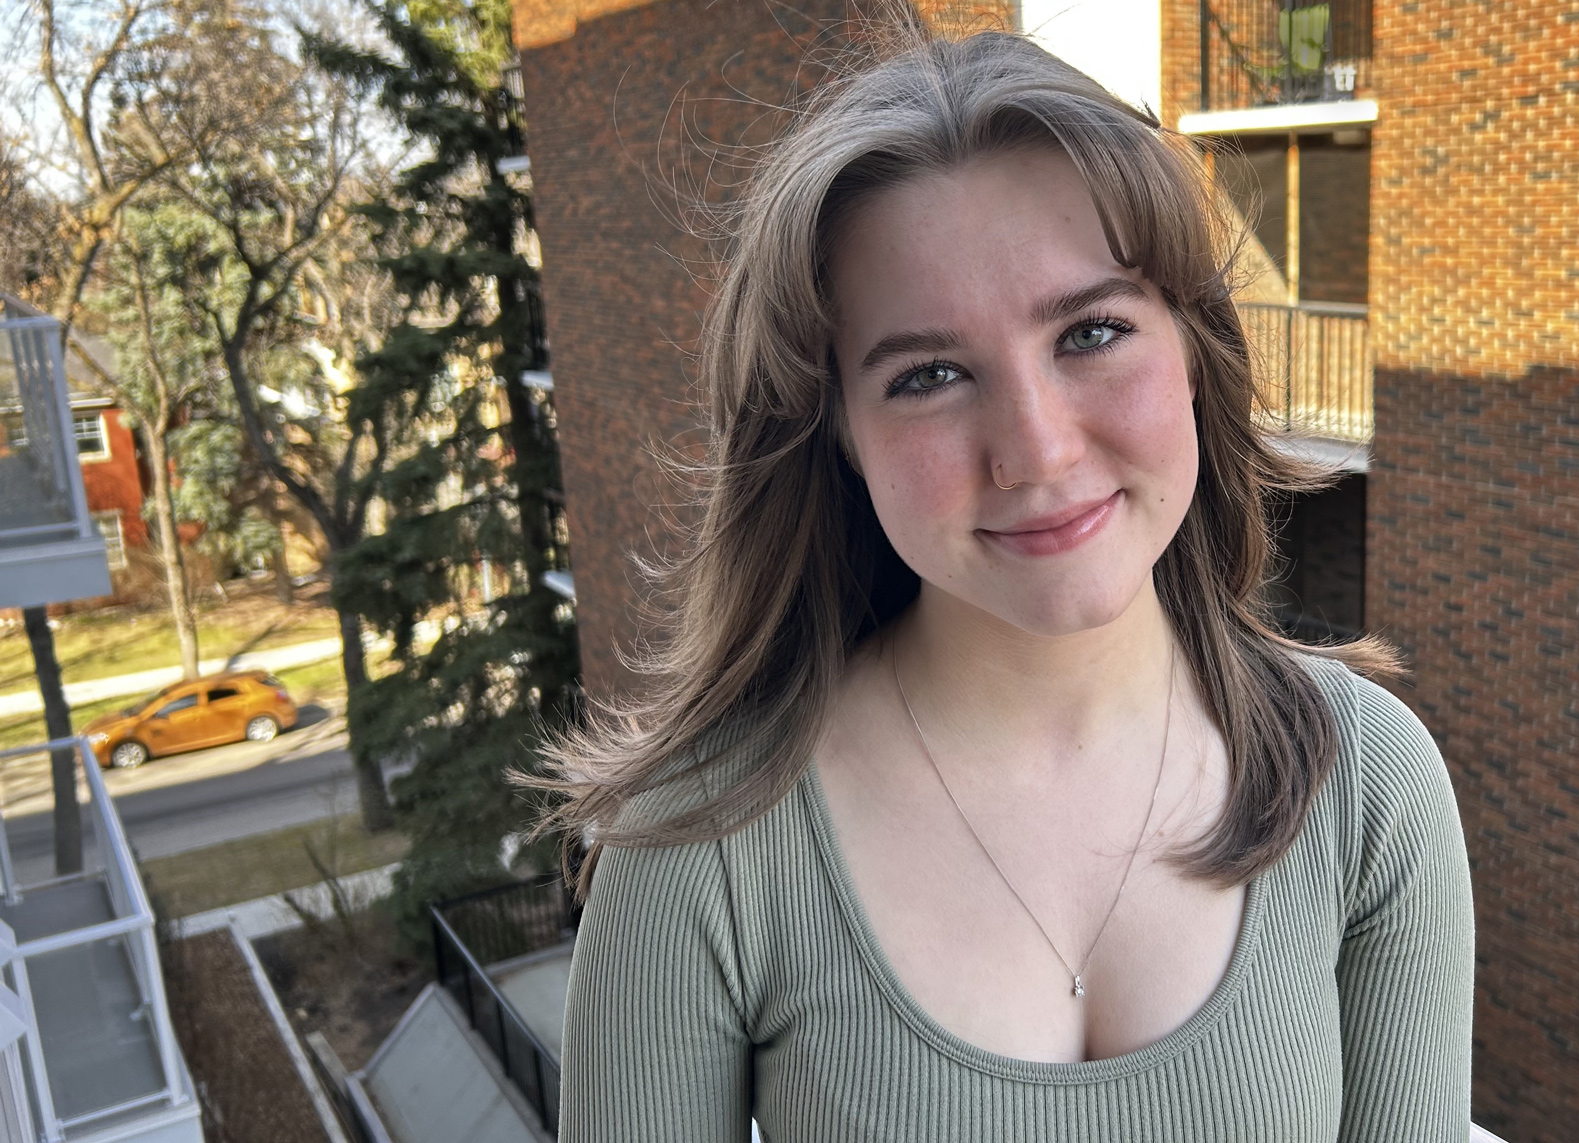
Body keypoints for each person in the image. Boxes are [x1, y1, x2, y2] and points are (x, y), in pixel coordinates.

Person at [548, 28, 1474, 1143]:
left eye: (1090, 332)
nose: (1034, 450)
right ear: (836, 433)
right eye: (928, 375)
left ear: (1193, 353)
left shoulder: (1371, 787)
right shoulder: (700, 853)